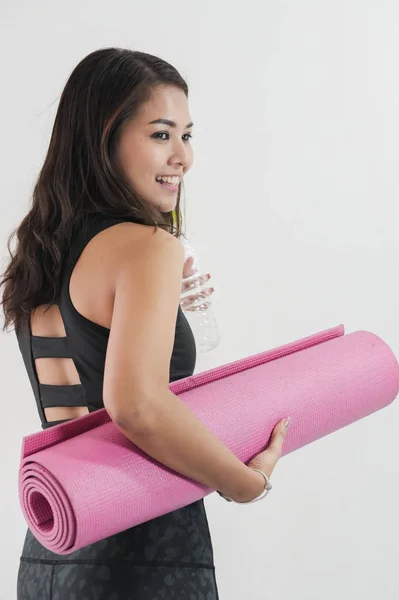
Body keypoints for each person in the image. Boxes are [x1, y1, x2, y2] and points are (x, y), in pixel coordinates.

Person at [0, 47, 291, 599]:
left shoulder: (43, 254)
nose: (183, 156)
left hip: (50, 550)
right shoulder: (148, 248)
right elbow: (136, 407)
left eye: (187, 135)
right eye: (161, 135)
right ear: (102, 139)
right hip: (143, 553)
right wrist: (244, 483)